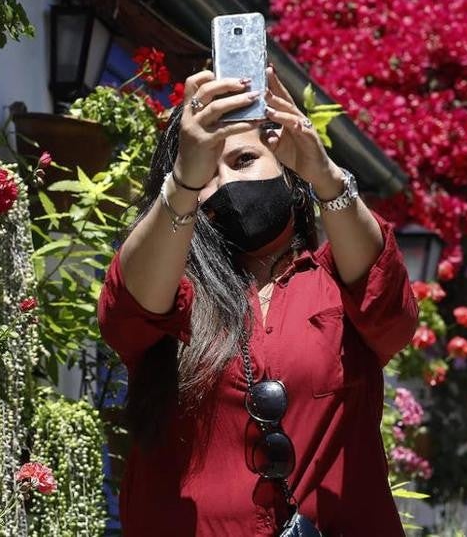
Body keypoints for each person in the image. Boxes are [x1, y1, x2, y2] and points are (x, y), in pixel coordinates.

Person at [99, 65, 418, 536]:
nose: (225, 183)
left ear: (289, 175)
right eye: (208, 170)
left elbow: (387, 300)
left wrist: (323, 173)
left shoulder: (336, 280)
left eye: (244, 159)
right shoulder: (173, 287)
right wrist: (185, 179)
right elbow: (132, 300)